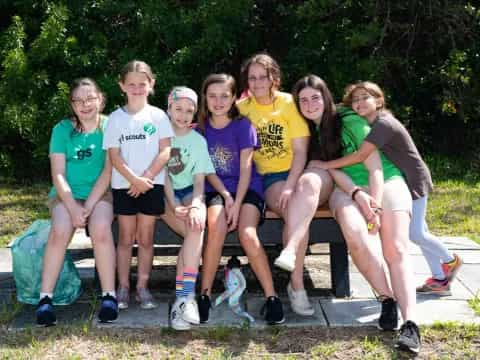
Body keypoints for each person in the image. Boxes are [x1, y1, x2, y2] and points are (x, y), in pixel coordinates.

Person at [293, 75, 421, 353]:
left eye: (315, 97)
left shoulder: (348, 119)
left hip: (385, 181)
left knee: (395, 248)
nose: (310, 104)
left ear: (326, 98)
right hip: (346, 187)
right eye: (303, 100)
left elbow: (373, 165)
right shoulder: (307, 132)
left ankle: (410, 323)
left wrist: (373, 204)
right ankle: (387, 299)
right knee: (355, 234)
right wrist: (356, 194)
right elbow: (331, 168)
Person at [311, 81, 462, 295]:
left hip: (412, 180)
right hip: (404, 177)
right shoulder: (369, 121)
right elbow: (339, 109)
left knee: (416, 233)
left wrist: (325, 165)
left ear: (379, 101)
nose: (359, 103)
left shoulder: (383, 124)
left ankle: (451, 260)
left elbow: (361, 155)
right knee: (421, 230)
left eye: (365, 98)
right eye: (355, 100)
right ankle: (440, 279)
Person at [197, 73, 284, 324]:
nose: (218, 101)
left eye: (225, 95)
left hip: (248, 188)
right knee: (216, 226)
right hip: (217, 189)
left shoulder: (243, 126)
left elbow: (246, 170)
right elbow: (206, 169)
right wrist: (225, 197)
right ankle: (204, 294)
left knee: (247, 233)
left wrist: (237, 202)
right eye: (212, 96)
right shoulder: (201, 130)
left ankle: (272, 298)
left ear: (234, 97)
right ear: (205, 98)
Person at [236, 54, 315, 317]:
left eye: (263, 76)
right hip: (267, 177)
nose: (258, 82)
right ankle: (296, 285)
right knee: (294, 211)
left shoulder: (288, 104)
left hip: (294, 173)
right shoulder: (243, 107)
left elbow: (301, 152)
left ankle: (296, 284)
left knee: (295, 208)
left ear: (274, 78)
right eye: (252, 77)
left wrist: (292, 184)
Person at [36, 78, 118, 326]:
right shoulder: (61, 129)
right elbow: (58, 173)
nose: (85, 105)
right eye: (78, 100)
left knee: (101, 229)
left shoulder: (111, 126)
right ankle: (45, 299)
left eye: (90, 98)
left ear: (100, 99)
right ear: (72, 104)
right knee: (59, 230)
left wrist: (90, 206)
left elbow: (108, 171)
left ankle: (109, 296)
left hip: (100, 193)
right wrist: (72, 207)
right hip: (67, 194)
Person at [103, 60, 174, 310]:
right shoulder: (115, 119)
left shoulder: (158, 116)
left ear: (151, 84)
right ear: (122, 86)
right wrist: (134, 180)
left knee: (145, 239)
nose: (136, 89)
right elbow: (114, 156)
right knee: (125, 238)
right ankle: (123, 286)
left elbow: (165, 151)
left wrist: (146, 178)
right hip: (124, 186)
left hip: (151, 184)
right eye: (131, 84)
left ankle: (143, 287)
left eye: (141, 84)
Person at [161, 86, 213, 330]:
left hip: (191, 191)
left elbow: (200, 182)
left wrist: (194, 205)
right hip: (162, 194)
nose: (183, 115)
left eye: (189, 111)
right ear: (169, 108)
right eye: (178, 109)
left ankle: (183, 299)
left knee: (197, 225)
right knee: (194, 234)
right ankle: (185, 299)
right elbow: (164, 178)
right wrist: (173, 205)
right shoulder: (160, 137)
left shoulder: (198, 141)